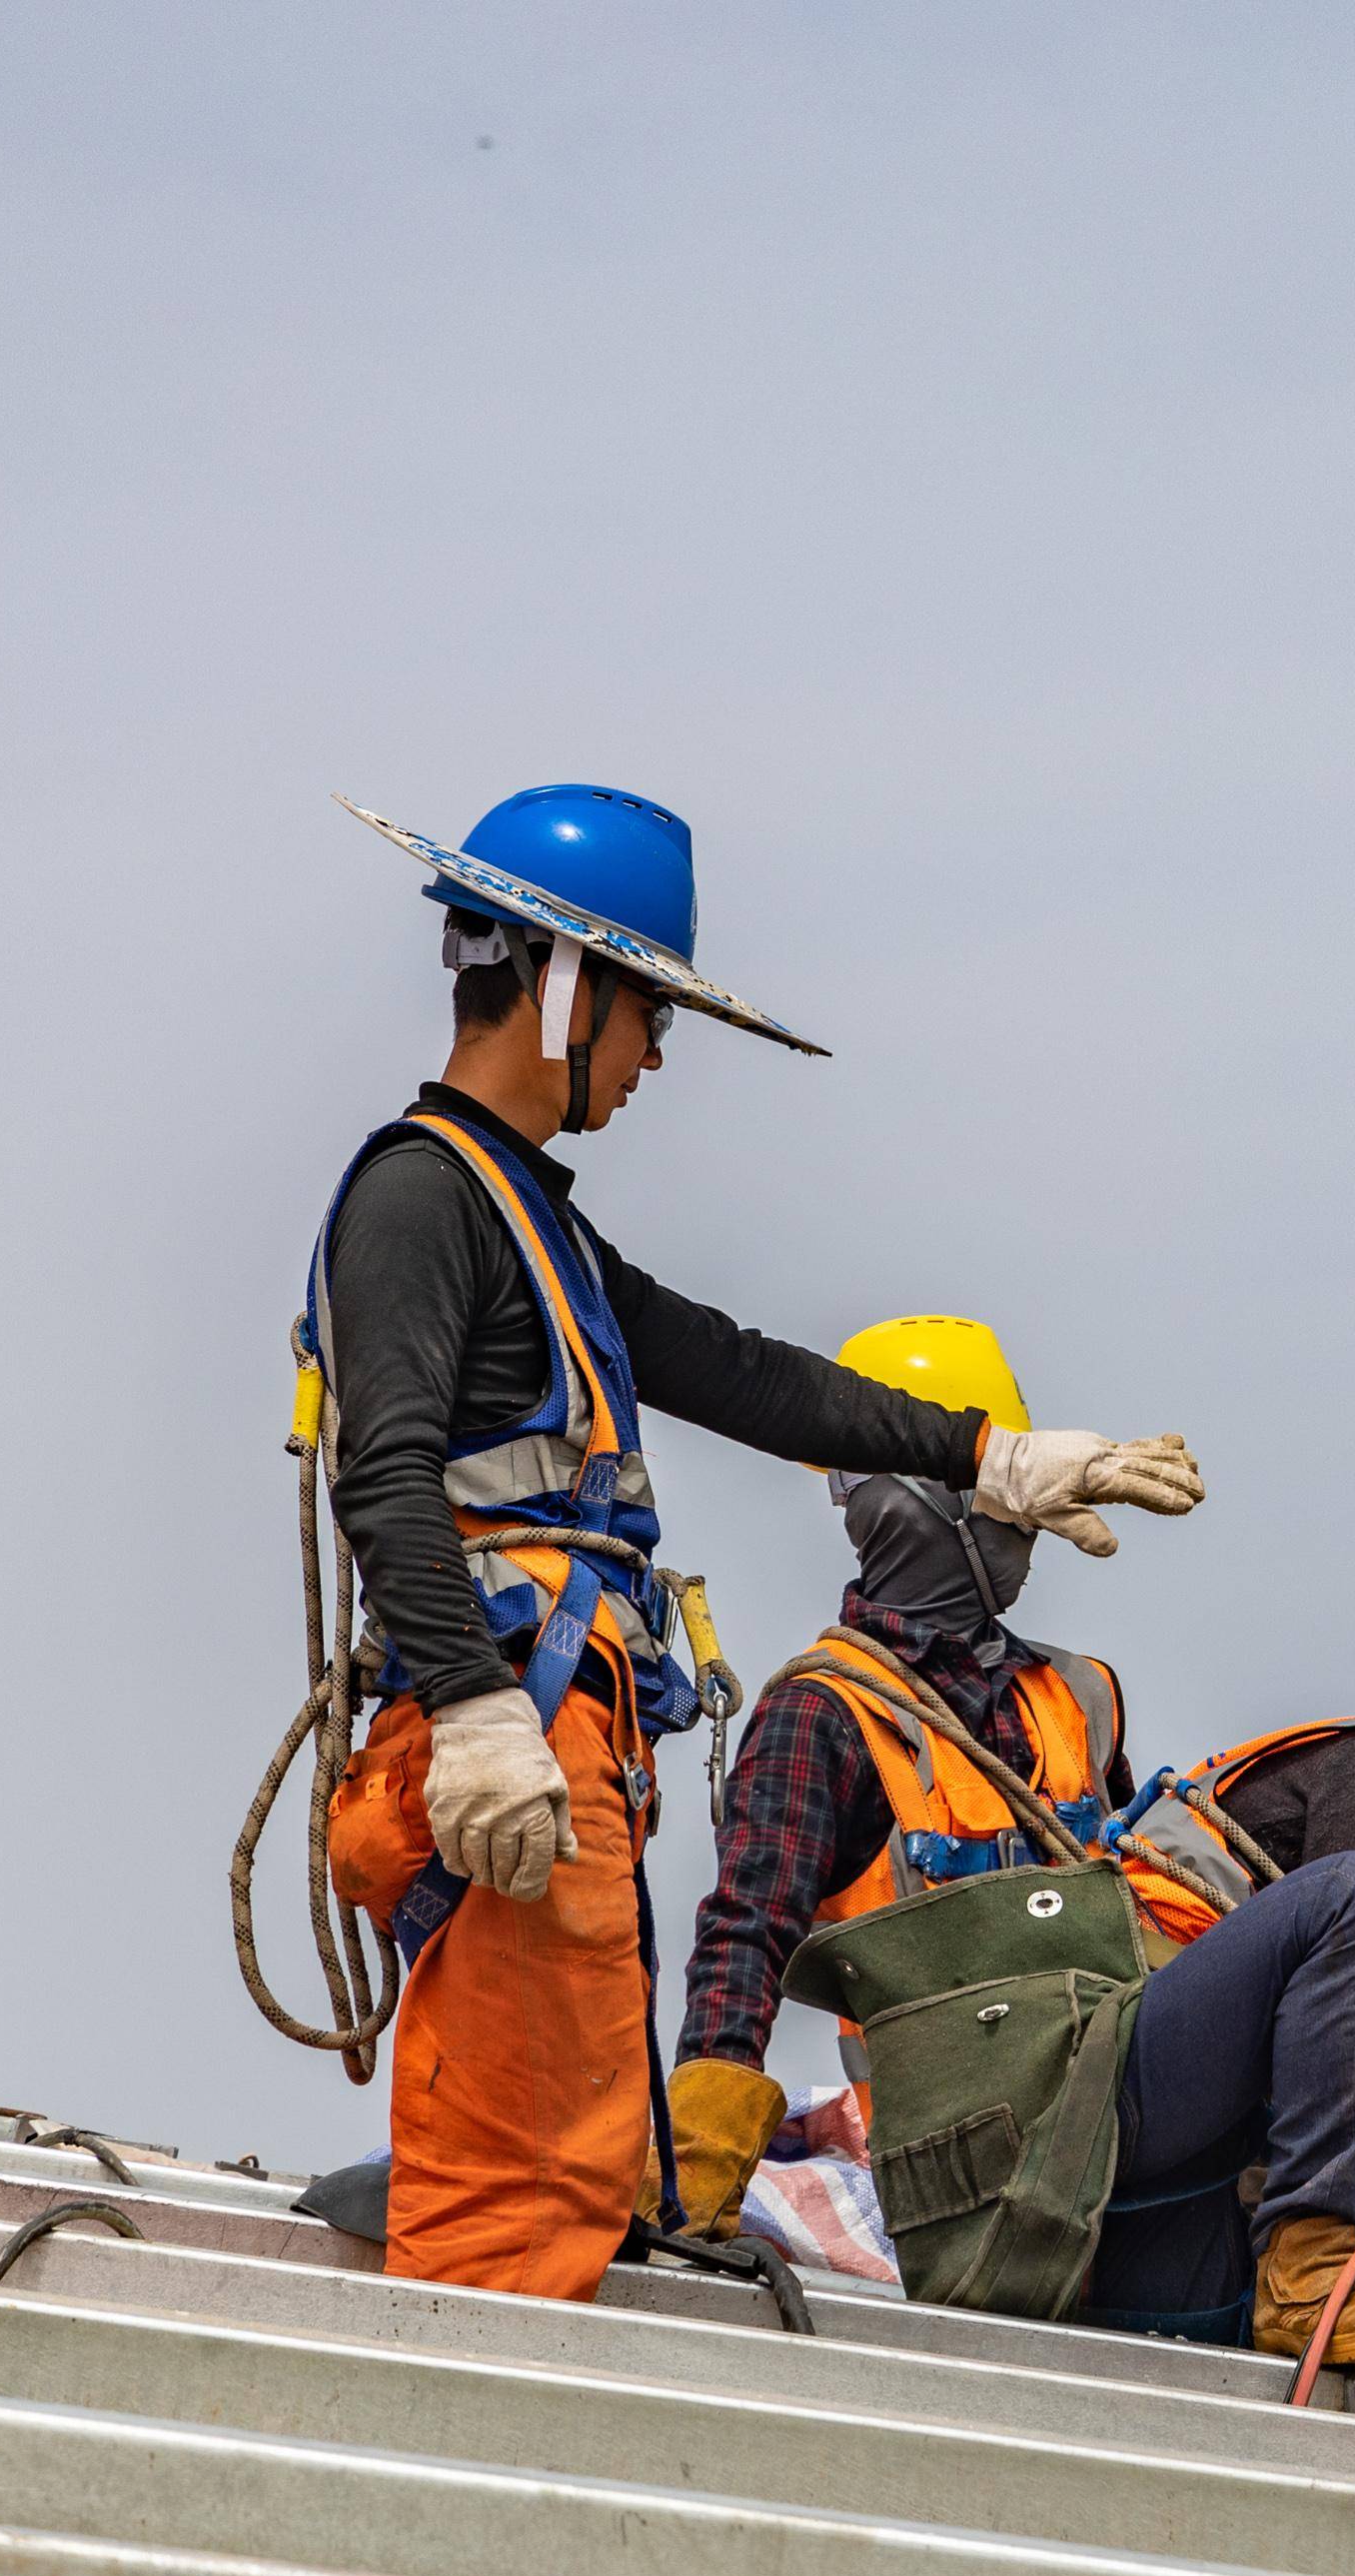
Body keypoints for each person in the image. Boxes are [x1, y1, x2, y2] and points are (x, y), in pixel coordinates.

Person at [305, 790, 1202, 2301]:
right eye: (651, 1012)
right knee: (515, 2184)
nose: (657, 1056)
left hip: (561, 1748)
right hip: (503, 1740)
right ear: (566, 985)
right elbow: (382, 1470)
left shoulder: (537, 1223)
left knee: (582, 2162)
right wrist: (469, 1707)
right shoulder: (418, 1198)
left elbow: (746, 1369)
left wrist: (992, 1452)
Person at [665, 1324, 1355, 2393]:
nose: (1026, 1534)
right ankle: (1306, 2260)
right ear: (910, 1499)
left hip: (1110, 2123)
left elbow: (1126, 1922)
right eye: (1000, 1493)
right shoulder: (824, 1712)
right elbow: (745, 1930)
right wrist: (703, 2158)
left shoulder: (1076, 1697)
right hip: (967, 2129)